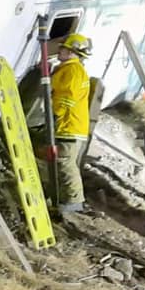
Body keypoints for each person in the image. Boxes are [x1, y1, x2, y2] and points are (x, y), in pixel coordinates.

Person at [44, 33, 92, 215]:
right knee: (62, 163)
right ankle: (61, 197)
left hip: (69, 125)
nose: (60, 50)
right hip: (71, 125)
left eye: (63, 48)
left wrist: (54, 116)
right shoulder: (71, 69)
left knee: (65, 163)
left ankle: (74, 201)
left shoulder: (72, 70)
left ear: (72, 52)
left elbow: (66, 98)